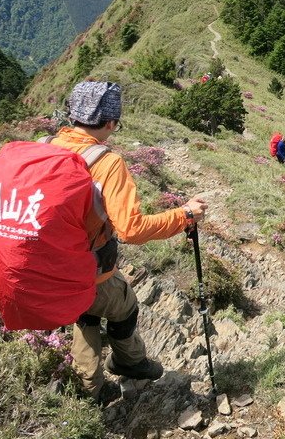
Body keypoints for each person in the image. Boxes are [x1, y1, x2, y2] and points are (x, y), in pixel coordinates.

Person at [50, 81, 209, 400]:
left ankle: (89, 385)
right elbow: (131, 229)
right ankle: (128, 363)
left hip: (46, 263)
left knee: (88, 311)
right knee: (123, 303)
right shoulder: (107, 163)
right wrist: (185, 215)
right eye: (116, 121)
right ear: (110, 122)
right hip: (86, 267)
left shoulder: (48, 146)